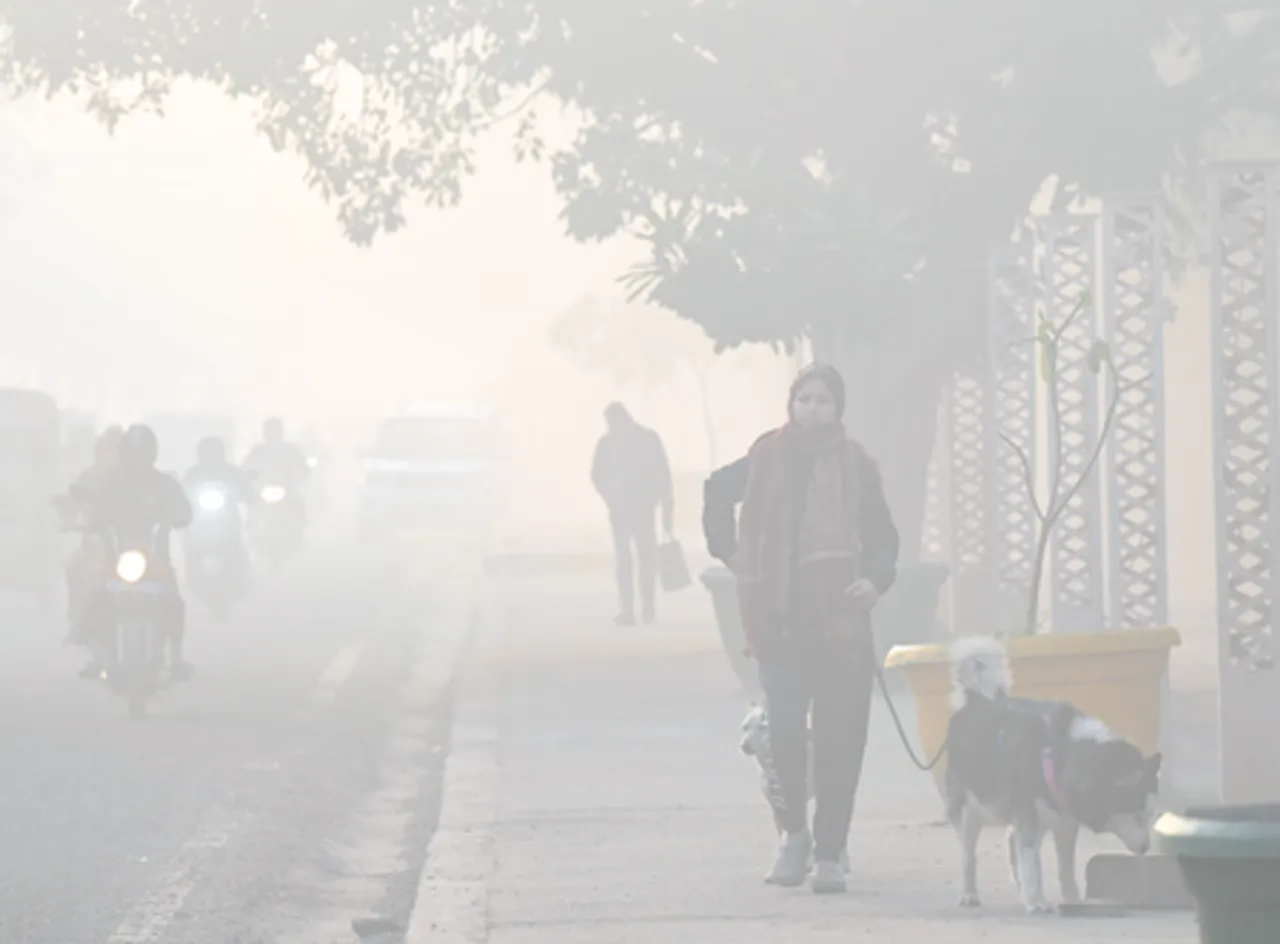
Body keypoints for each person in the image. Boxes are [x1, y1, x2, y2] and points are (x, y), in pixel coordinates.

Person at [702, 364, 899, 894]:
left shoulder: (856, 466)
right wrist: (732, 551)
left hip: (839, 625)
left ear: (838, 409)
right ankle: (793, 837)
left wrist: (874, 582)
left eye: (823, 400)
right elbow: (716, 492)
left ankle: (831, 851)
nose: (813, 408)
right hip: (780, 622)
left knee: (841, 740)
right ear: (791, 404)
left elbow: (884, 539)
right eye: (804, 399)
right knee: (785, 733)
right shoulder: (765, 457)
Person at [87, 424, 195, 681]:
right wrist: (92, 522)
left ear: (152, 455)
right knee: (98, 599)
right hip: (117, 559)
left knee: (173, 601)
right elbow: (95, 511)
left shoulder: (165, 483)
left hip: (156, 561)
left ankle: (175, 658)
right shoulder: (111, 483)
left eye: (142, 454)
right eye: (132, 454)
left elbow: (185, 512)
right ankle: (102, 656)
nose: (137, 461)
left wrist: (176, 518)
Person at [590, 403, 674, 626]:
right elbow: (664, 473)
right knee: (644, 558)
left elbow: (596, 474)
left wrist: (609, 496)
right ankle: (646, 608)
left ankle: (630, 609)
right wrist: (666, 507)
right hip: (642, 508)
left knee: (626, 559)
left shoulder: (608, 442)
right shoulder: (646, 438)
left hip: (623, 509)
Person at [57, 425, 124, 653]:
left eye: (117, 450)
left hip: (132, 545)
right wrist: (67, 519)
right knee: (75, 568)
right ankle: (79, 621)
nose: (111, 455)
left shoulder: (138, 478)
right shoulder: (88, 476)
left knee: (162, 579)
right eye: (107, 450)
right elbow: (71, 501)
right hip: (96, 542)